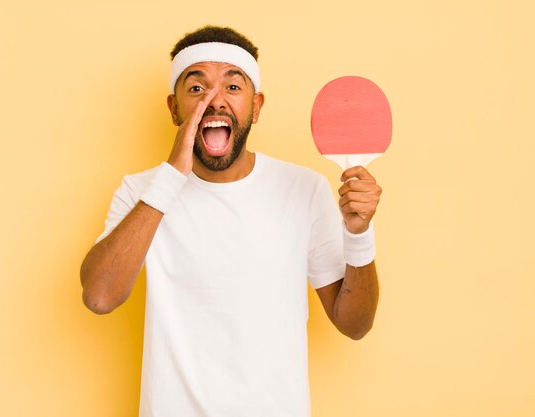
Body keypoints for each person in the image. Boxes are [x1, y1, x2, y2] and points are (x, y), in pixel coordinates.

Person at [80, 25, 382, 417]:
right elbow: (99, 296)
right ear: (173, 108)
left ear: (256, 107)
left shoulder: (303, 189)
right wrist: (171, 177)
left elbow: (354, 324)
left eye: (233, 87)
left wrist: (359, 235)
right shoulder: (141, 191)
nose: (214, 101)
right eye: (196, 88)